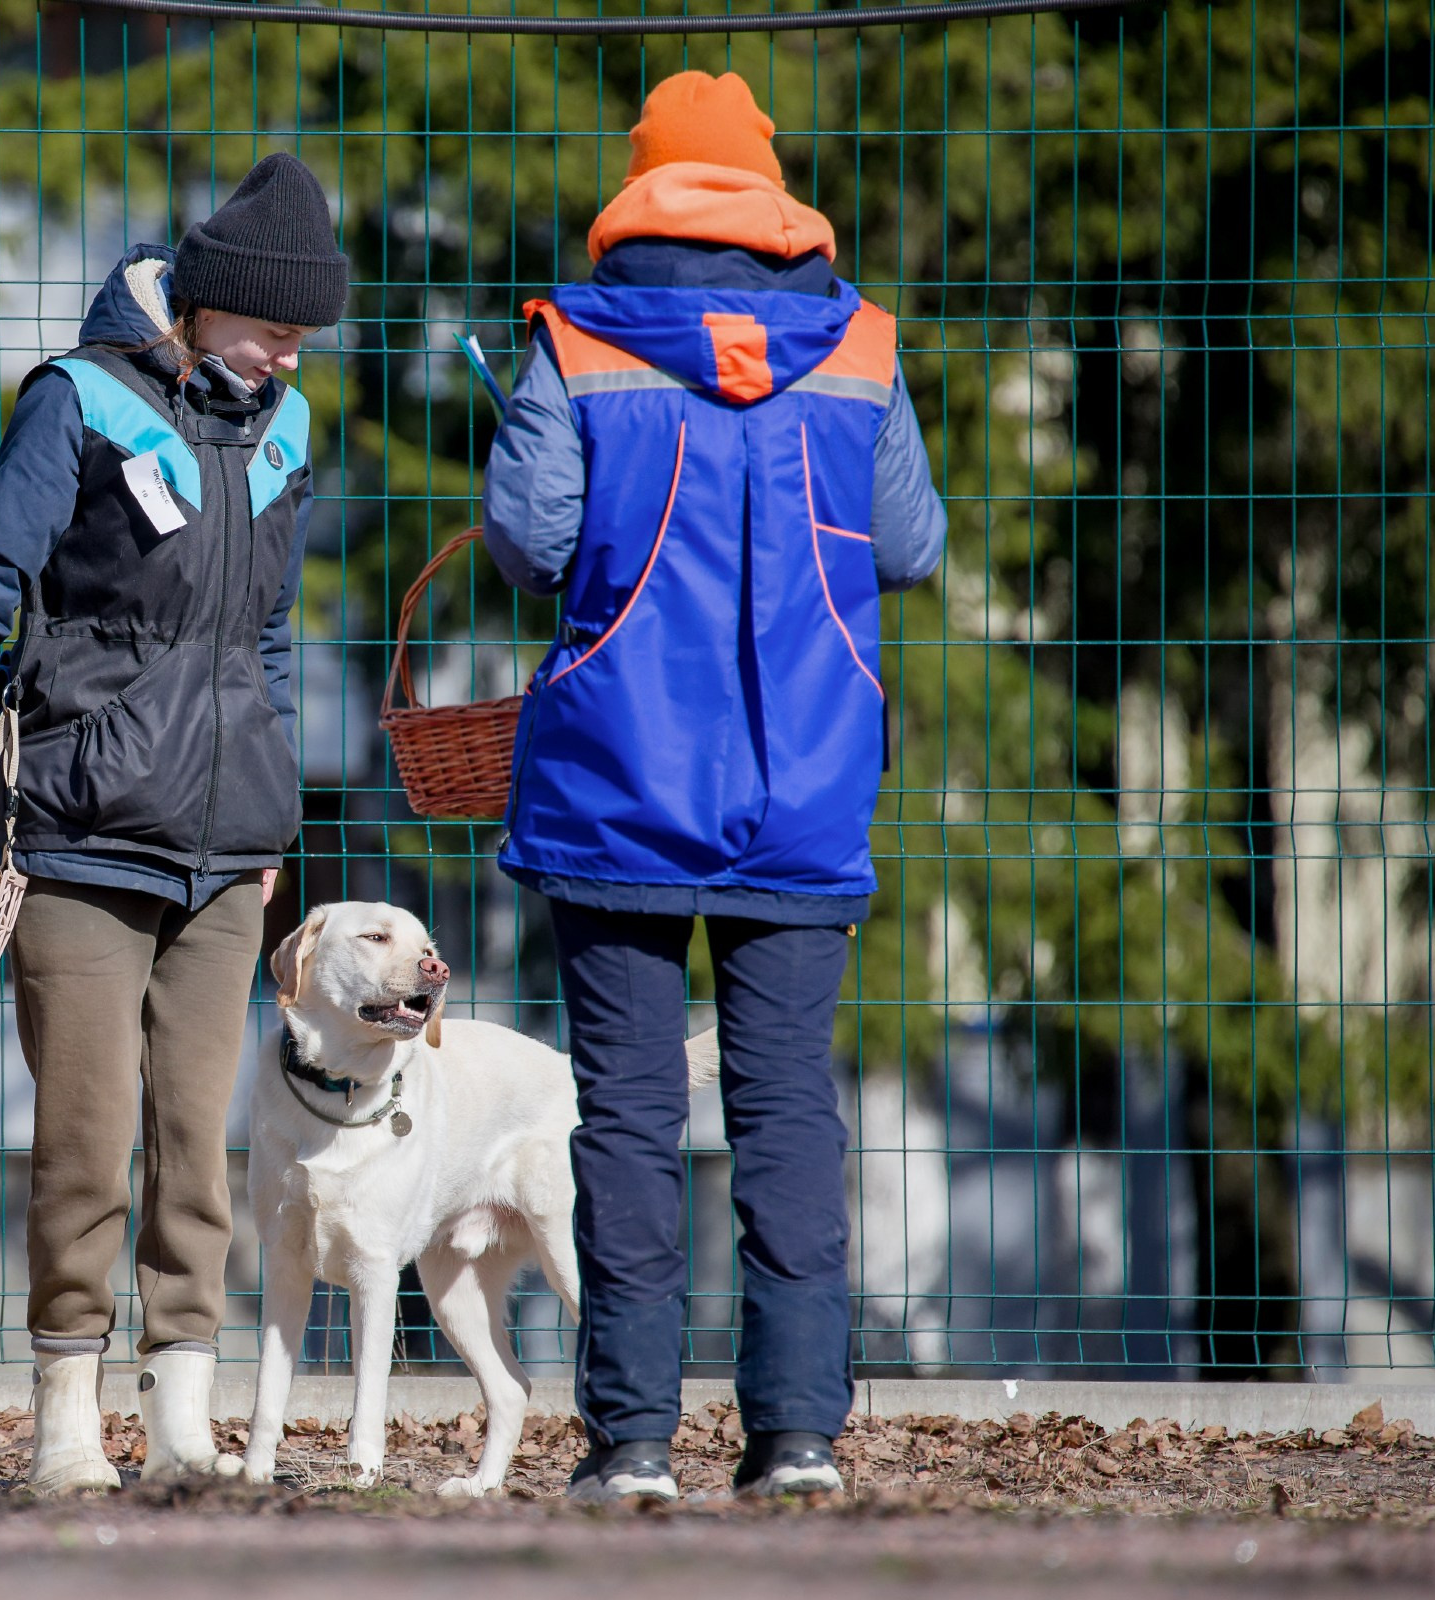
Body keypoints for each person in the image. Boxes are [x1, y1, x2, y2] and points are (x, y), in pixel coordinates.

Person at [480, 71, 946, 1503]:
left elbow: (526, 539)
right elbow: (911, 544)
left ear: (641, 186)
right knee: (788, 1110)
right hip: (803, 782)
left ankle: (628, 1446)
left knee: (623, 1116)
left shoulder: (577, 341)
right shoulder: (858, 348)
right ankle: (797, 1435)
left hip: (614, 783)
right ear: (768, 187)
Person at [0, 153, 350, 1494]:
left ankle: (182, 1423)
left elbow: (265, 635)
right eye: (268, 328)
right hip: (80, 826)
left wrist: (268, 806)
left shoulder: (287, 431)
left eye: (301, 335)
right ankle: (66, 1423)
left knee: (197, 1137)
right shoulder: (78, 403)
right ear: (199, 309)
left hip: (225, 852)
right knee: (87, 1133)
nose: (286, 354)